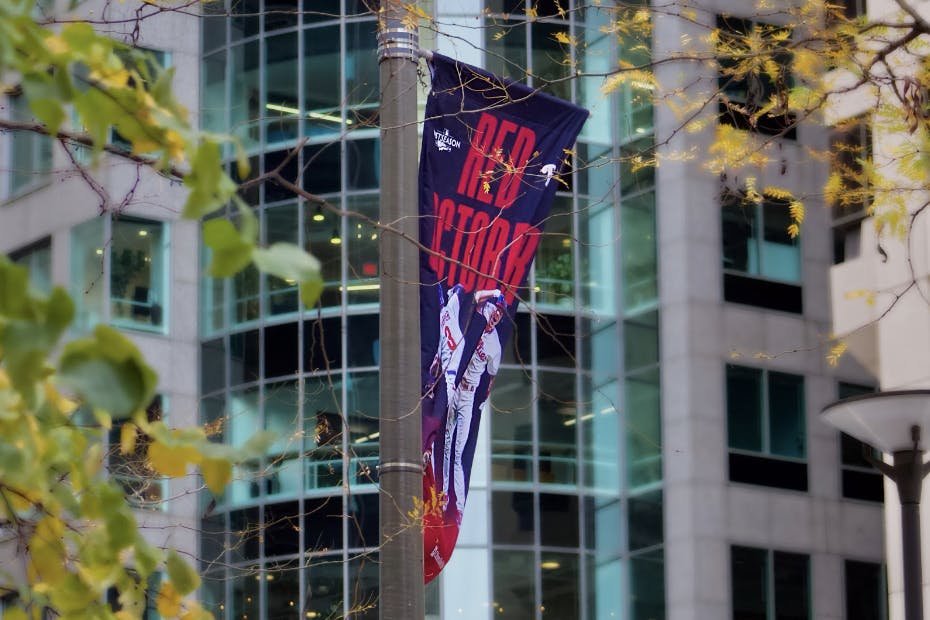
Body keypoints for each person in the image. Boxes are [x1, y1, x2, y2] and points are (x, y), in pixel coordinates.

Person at [441, 289, 505, 523]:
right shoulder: (479, 315)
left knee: (458, 453)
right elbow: (476, 297)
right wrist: (495, 293)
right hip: (455, 386)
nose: (496, 315)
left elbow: (493, 376)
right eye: (495, 310)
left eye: (499, 313)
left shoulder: (495, 344)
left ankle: (457, 507)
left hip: (468, 395)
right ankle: (444, 496)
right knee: (446, 445)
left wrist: (484, 399)